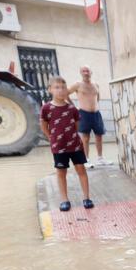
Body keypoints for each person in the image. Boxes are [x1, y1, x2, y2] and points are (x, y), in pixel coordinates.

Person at [40, 76, 94, 212]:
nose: (61, 90)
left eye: (63, 87)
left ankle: (86, 197)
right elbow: (44, 126)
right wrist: (52, 139)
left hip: (75, 146)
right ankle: (64, 200)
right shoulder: (46, 108)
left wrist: (71, 137)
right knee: (61, 172)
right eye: (57, 87)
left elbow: (75, 126)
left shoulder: (72, 109)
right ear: (50, 90)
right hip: (59, 148)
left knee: (81, 169)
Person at [68, 65, 110, 167]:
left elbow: (97, 97)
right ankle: (86, 159)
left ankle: (100, 159)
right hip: (84, 113)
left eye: (87, 71)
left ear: (91, 72)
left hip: (96, 113)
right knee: (85, 138)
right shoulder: (78, 84)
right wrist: (74, 107)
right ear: (81, 73)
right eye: (83, 71)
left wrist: (95, 106)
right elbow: (66, 94)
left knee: (99, 136)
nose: (86, 72)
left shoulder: (96, 84)